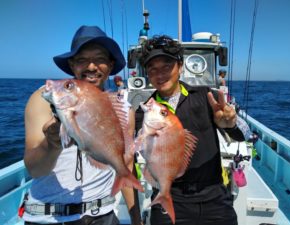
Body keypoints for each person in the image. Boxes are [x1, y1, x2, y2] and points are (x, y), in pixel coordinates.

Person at [23, 25, 142, 225]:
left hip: (103, 215)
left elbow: (125, 163)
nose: (92, 67)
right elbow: (35, 170)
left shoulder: (123, 108)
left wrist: (136, 219)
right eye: (82, 60)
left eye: (100, 59)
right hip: (48, 218)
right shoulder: (45, 99)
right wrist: (52, 144)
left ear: (111, 65)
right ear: (72, 64)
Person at [135, 35, 249, 225]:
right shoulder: (144, 111)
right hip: (170, 195)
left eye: (166, 67)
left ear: (180, 67)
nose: (160, 74)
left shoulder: (207, 97)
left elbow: (248, 135)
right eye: (152, 70)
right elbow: (129, 147)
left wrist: (231, 124)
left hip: (214, 197)